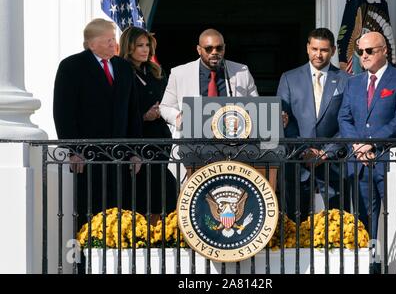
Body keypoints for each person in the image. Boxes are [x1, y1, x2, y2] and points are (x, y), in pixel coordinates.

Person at [53, 18, 142, 230]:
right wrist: (73, 150)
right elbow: (63, 112)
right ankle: (85, 258)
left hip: (119, 156)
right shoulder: (71, 66)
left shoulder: (123, 67)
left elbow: (133, 112)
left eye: (114, 40)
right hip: (87, 156)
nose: (114, 45)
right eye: (109, 41)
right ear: (92, 43)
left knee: (119, 212)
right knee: (88, 211)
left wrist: (135, 150)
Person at [338, 32, 396, 265]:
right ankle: (369, 264)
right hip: (360, 163)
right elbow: (345, 118)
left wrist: (370, 142)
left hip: (390, 161)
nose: (364, 56)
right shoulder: (353, 82)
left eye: (369, 51)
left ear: (384, 50)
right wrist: (357, 146)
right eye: (360, 51)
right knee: (364, 222)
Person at [160, 28, 259, 180]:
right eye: (208, 48)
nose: (214, 52)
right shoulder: (180, 73)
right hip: (193, 151)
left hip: (234, 152)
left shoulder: (241, 71)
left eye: (219, 48)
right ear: (199, 50)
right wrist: (179, 118)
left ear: (224, 48)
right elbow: (165, 107)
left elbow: (256, 107)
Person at [277, 28, 351, 222]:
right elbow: (284, 120)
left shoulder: (347, 80)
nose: (319, 54)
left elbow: (348, 121)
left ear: (333, 50)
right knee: (294, 222)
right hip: (298, 161)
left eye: (324, 50)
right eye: (315, 49)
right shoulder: (289, 78)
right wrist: (304, 150)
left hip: (333, 162)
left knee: (339, 221)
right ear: (307, 48)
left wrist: (326, 152)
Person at [118, 26, 177, 225]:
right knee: (143, 192)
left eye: (147, 45)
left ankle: (159, 233)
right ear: (129, 47)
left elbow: (169, 99)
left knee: (164, 188)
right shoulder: (122, 71)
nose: (145, 50)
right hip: (137, 142)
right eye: (140, 46)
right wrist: (143, 116)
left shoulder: (156, 72)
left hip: (159, 139)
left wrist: (165, 109)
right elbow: (119, 108)